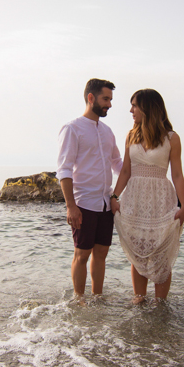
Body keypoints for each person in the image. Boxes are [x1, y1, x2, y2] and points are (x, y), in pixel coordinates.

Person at [110, 89, 184, 302]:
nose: (131, 110)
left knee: (160, 254)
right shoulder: (131, 135)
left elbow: (178, 174)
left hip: (161, 199)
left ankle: (160, 306)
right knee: (138, 252)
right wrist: (114, 197)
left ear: (148, 107)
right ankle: (139, 299)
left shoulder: (172, 138)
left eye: (134, 105)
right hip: (135, 200)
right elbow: (125, 171)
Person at [57, 79, 123, 299]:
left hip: (105, 203)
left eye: (111, 100)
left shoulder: (107, 131)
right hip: (83, 203)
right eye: (106, 99)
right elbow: (64, 170)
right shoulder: (72, 129)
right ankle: (79, 300)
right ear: (91, 97)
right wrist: (71, 207)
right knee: (82, 254)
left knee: (102, 254)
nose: (109, 105)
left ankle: (97, 297)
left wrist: (142, 172)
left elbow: (117, 163)